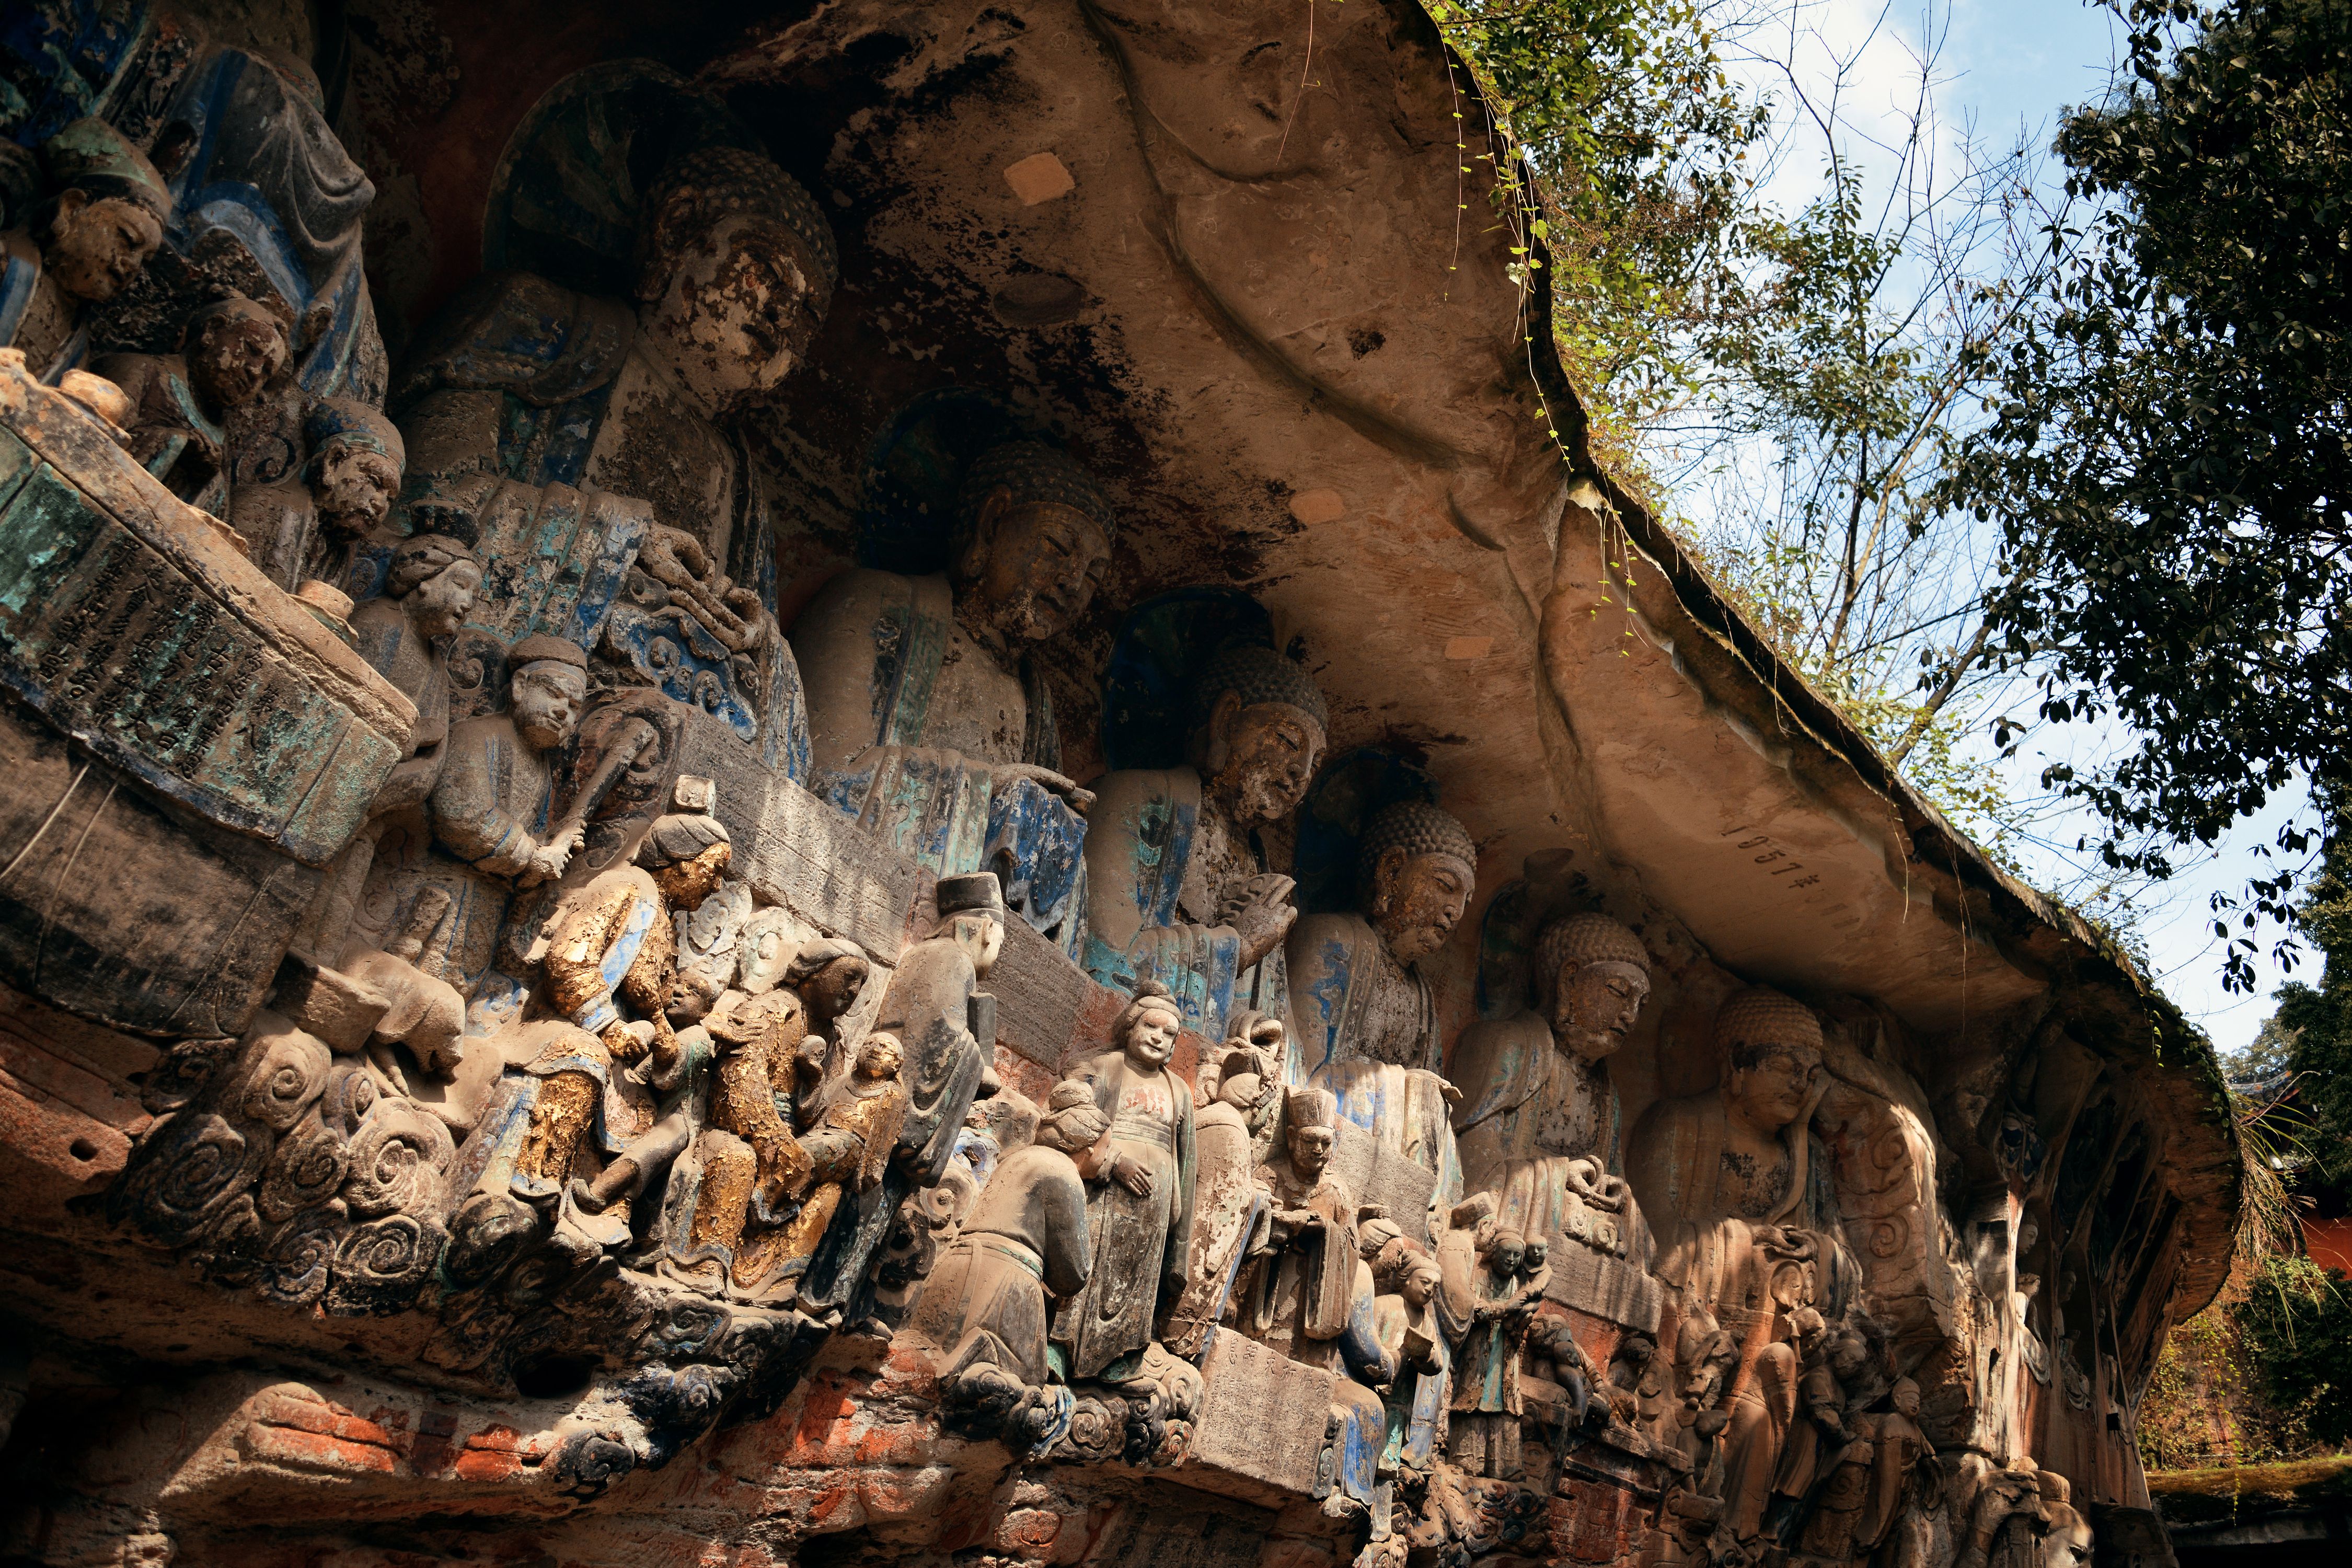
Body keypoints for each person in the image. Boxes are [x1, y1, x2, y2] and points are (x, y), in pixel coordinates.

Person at [793, 441, 1112, 955]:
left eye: (1094, 576)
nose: (1074, 582)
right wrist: (989, 790)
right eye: (1057, 546)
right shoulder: (880, 605)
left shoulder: (1037, 701)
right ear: (991, 524)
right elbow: (821, 780)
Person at [1082, 643, 1326, 1035]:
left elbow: (1280, 1031)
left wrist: (1261, 1033)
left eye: (1317, 762)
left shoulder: (1264, 875)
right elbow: (1104, 960)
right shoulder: (1134, 799)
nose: (1301, 771)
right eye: (1288, 740)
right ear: (1227, 721)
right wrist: (1236, 948)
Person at [795, 872, 1005, 1326]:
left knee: (876, 1207)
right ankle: (824, 1295)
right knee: (869, 1203)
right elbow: (940, 1035)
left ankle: (842, 1299)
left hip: (882, 1094)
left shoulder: (925, 955)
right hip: (901, 1104)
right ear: (986, 929)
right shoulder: (952, 960)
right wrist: (980, 1063)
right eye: (999, 938)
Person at [1287, 799, 1477, 1192]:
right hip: (1323, 1143)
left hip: (1399, 1164)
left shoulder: (1423, 995)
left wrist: (1423, 1094)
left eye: (1466, 901)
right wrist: (1401, 1086)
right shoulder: (1331, 939)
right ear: (1391, 872)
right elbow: (1304, 1074)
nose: (1456, 911)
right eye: (1445, 886)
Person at [1049, 982, 1200, 1381]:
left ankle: (1121, 1359)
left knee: (1137, 1283)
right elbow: (1070, 1125)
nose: (1158, 1037)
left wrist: (1176, 1216)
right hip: (1103, 1192)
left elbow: (1187, 1161)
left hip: (1152, 1207)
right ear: (1130, 1027)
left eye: (1169, 1035)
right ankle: (1061, 1351)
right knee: (1087, 1267)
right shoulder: (1103, 1069)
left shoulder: (1179, 1090)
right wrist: (1114, 1162)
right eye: (1151, 1026)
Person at [1450, 912, 1651, 1210]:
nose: (1630, 1016)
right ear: (1569, 980)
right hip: (1516, 1222)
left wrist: (1613, 1193)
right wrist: (1560, 1177)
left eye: (1641, 1004)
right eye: (1618, 992)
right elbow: (1469, 1168)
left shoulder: (1607, 1094)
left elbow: (1609, 1179)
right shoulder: (1508, 1045)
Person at [1, 119, 168, 377]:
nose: (133, 264)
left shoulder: (76, 349)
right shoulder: (6, 264)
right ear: (71, 210)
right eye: (128, 239)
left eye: (145, 260)